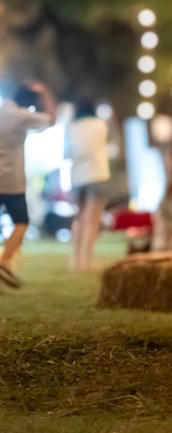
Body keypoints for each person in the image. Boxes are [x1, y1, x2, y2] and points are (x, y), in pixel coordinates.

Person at [0, 80, 56, 288]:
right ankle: (4, 261)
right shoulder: (20, 116)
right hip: (10, 182)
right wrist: (45, 92)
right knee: (21, 222)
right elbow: (51, 119)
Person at [64, 98, 111, 271]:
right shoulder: (100, 125)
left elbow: (66, 153)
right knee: (92, 219)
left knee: (78, 218)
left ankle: (75, 260)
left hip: (77, 177)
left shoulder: (71, 127)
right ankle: (86, 260)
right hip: (98, 175)